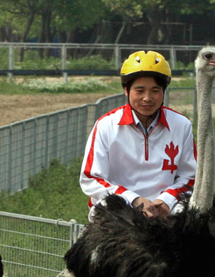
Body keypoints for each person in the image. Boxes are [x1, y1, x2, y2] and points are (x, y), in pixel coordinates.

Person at [79, 50, 196, 221]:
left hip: (166, 207)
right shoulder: (106, 126)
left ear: (164, 91)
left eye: (155, 90)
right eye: (139, 90)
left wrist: (166, 200)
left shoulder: (181, 125)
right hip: (120, 206)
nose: (147, 98)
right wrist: (133, 200)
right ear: (126, 90)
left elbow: (190, 176)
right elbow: (91, 178)